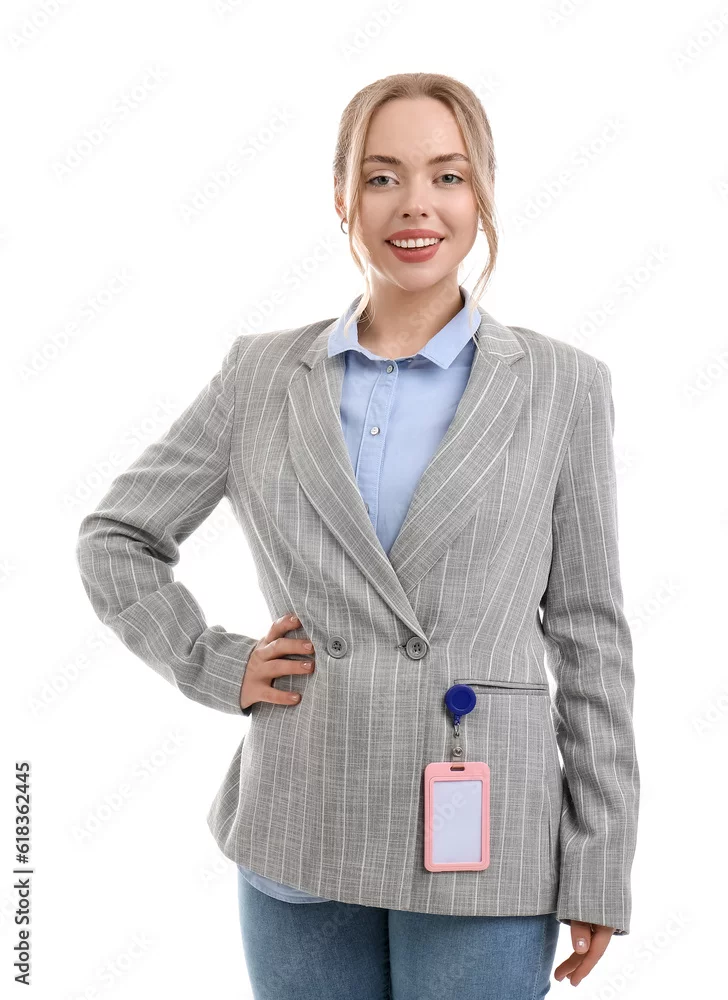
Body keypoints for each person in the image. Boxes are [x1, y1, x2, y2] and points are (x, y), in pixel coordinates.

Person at [76, 72, 639, 997]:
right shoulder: (262, 375)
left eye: (448, 176)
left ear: (483, 195)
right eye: (382, 177)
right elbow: (116, 536)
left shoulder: (562, 385)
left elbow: (590, 634)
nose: (415, 204)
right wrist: (216, 664)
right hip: (303, 817)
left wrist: (600, 855)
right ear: (341, 198)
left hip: (485, 831)